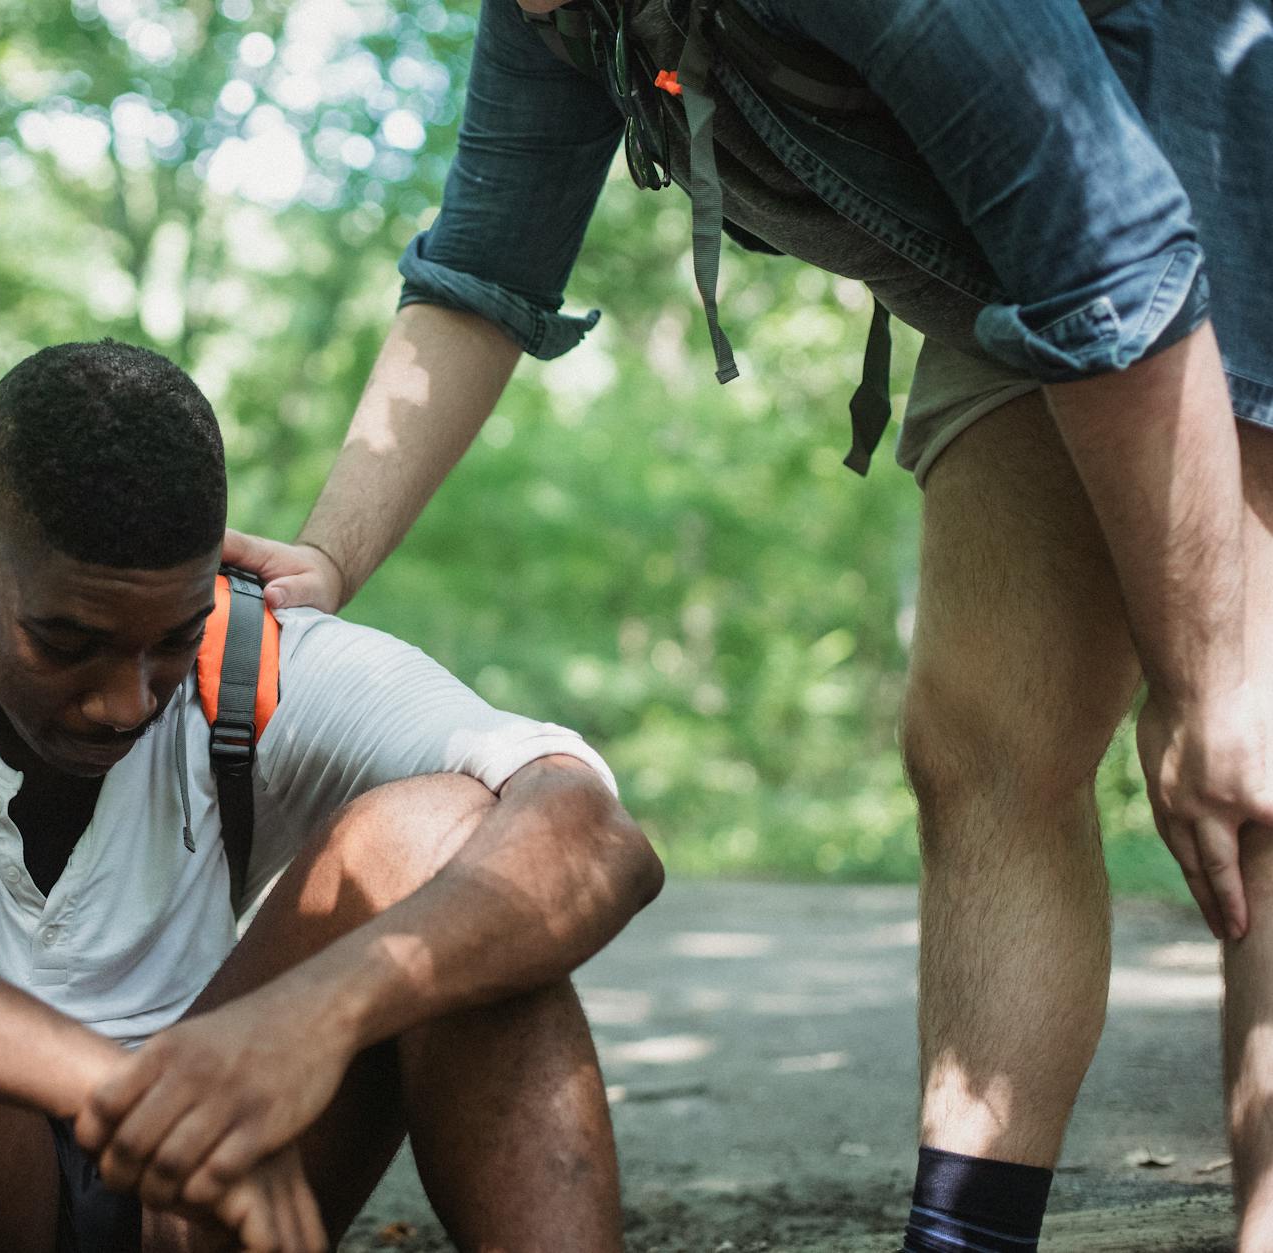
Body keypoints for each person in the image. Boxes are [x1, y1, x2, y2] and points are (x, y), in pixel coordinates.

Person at [222, 0, 1273, 1247]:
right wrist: (329, 555)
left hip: (1205, 180)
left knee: (1246, 766)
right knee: (978, 743)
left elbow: (1114, 255)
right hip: (1029, 263)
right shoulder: (558, 13)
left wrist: (1209, 680)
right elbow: (482, 270)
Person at [0, 339, 663, 1253]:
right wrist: (98, 1083)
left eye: (170, 639)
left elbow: (591, 835)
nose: (122, 700)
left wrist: (313, 1017)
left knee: (447, 845)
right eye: (68, 640)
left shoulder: (265, 658)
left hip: (214, 1186)